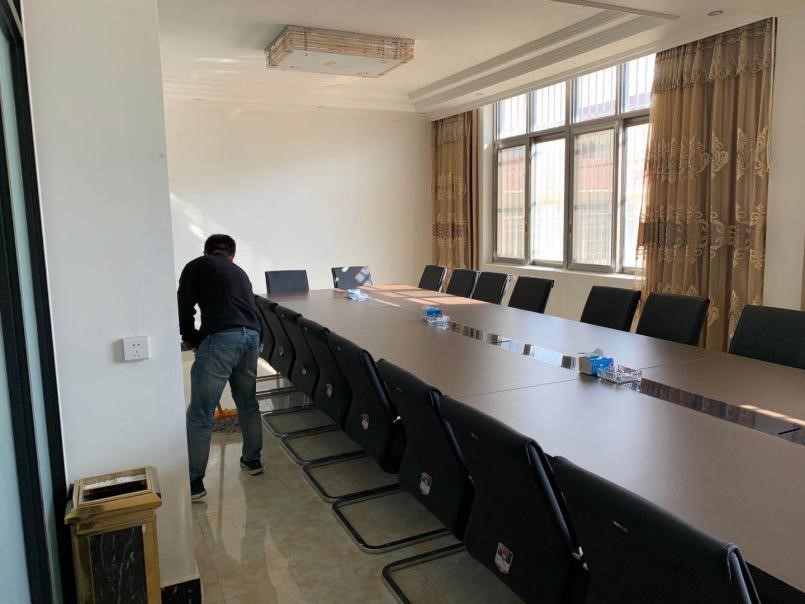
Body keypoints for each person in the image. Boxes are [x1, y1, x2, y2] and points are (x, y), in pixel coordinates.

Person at [178, 234, 264, 501]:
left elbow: (184, 305)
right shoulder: (240, 272)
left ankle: (194, 482)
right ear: (232, 255)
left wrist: (191, 338)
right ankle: (252, 460)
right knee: (247, 403)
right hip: (252, 337)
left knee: (200, 413)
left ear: (206, 251)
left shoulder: (197, 265)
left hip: (222, 338)